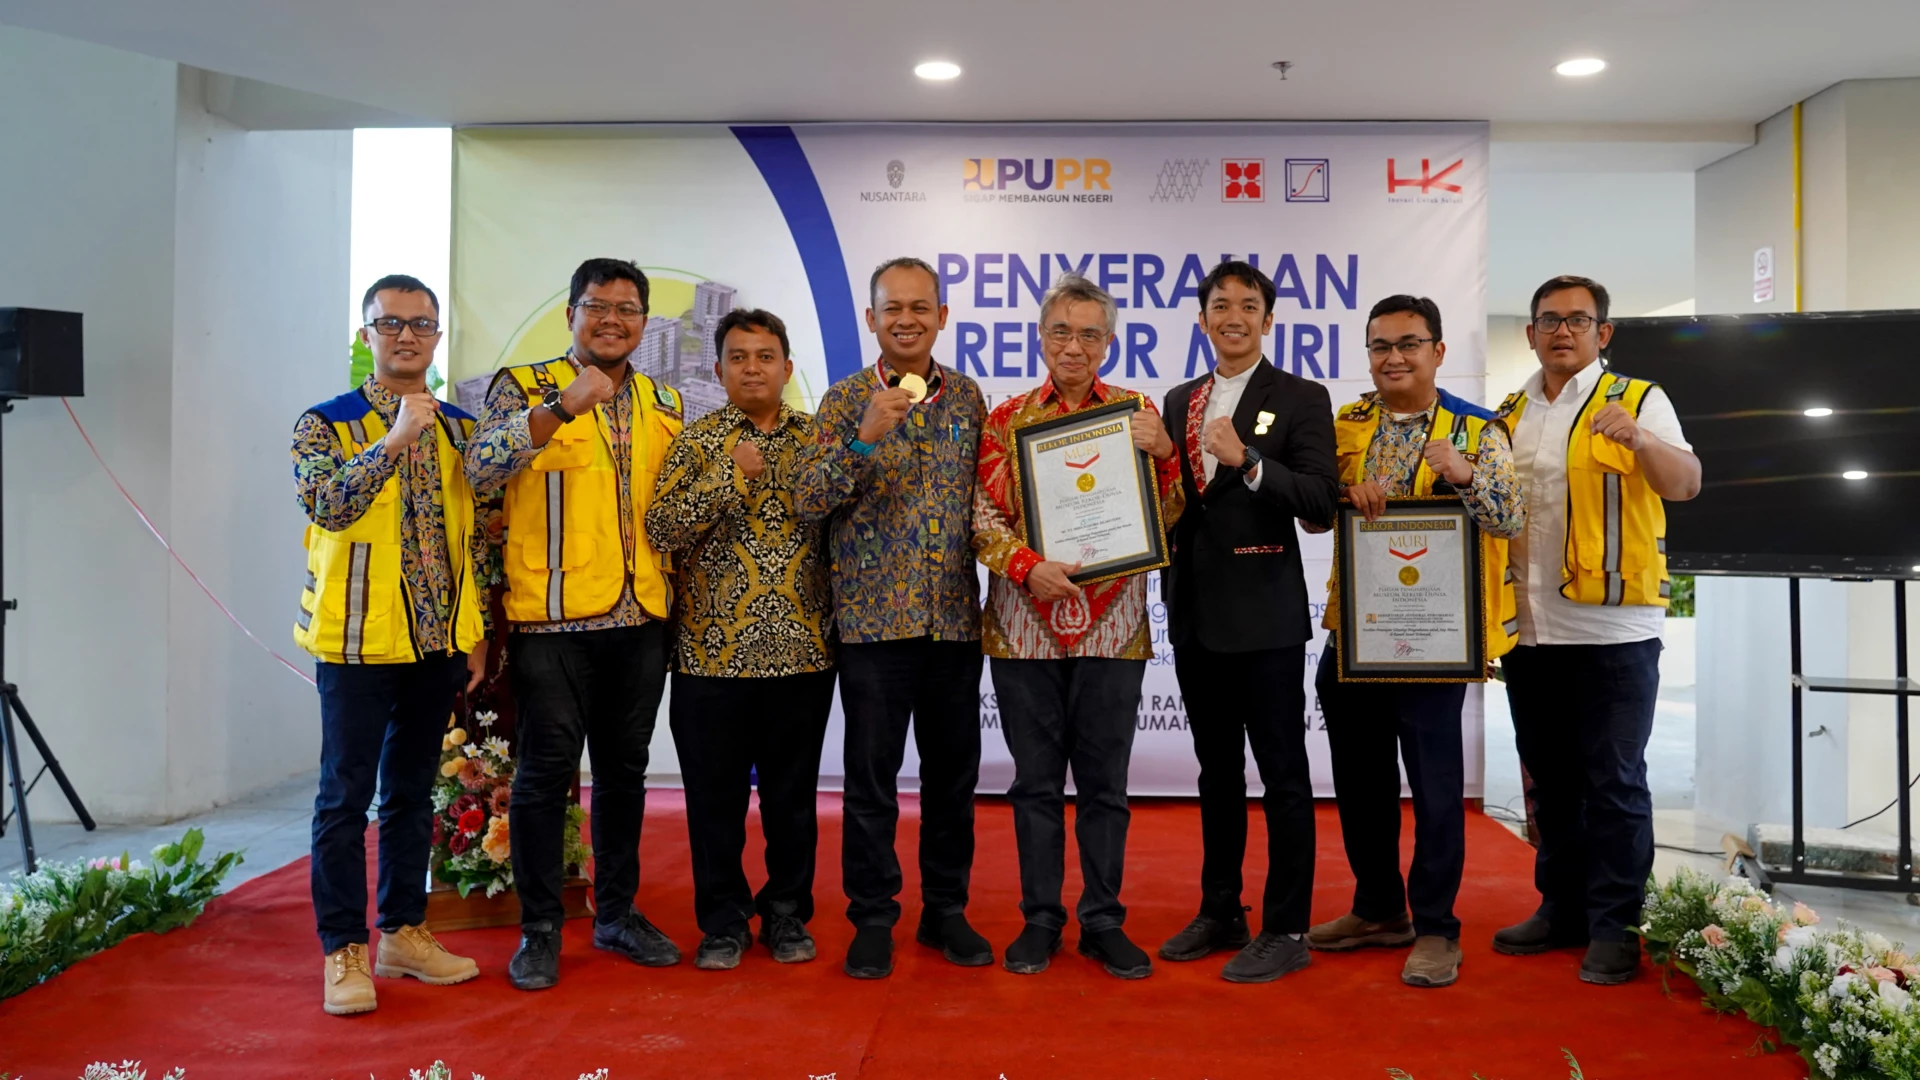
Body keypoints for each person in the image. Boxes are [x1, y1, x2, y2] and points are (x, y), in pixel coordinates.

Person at [465, 257, 686, 990]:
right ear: (570, 315)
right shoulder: (523, 386)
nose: (611, 320)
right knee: (545, 776)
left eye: (627, 309)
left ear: (644, 323)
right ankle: (539, 930)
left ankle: (617, 915)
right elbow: (480, 469)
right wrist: (561, 407)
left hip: (641, 615)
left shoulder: (665, 401)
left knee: (625, 775)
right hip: (553, 621)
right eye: (597, 306)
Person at [1304, 295, 1525, 989]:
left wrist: (1465, 475)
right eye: (1381, 346)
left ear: (1438, 351)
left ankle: (1436, 927)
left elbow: (1510, 518)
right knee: (1360, 783)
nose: (1393, 357)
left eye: (1408, 344)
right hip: (1356, 632)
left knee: (1434, 789)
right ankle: (1378, 909)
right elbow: (1314, 512)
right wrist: (1346, 493)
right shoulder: (1346, 424)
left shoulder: (1478, 428)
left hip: (1437, 637)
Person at [971, 274, 1183, 979]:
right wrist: (1026, 565)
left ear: (1109, 343)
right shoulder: (1005, 419)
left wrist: (1166, 457)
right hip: (1022, 627)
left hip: (1113, 628)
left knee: (1105, 786)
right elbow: (980, 518)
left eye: (1089, 334)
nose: (1074, 346)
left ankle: (1103, 920)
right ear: (1041, 337)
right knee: (1034, 785)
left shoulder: (1136, 413)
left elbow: (1170, 517)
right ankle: (1040, 918)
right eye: (1061, 331)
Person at [1492, 274, 1700, 985]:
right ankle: (1562, 909)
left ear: (1602, 333)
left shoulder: (1640, 400)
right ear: (1530, 333)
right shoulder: (1507, 414)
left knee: (1614, 783)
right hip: (1531, 632)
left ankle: (1616, 926)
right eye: (1549, 320)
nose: (1562, 331)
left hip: (1613, 633)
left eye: (1578, 320)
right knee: (1551, 785)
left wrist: (1640, 440)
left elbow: (1685, 483)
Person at [292, 274, 488, 1016]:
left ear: (437, 336)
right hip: (356, 642)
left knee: (410, 794)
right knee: (344, 798)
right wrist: (395, 438)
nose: (407, 335)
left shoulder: (461, 427)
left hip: (436, 640)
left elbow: (477, 536)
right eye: (391, 323)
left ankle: (403, 931)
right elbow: (327, 505)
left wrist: (473, 630)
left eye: (421, 324)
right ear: (367, 333)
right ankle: (341, 948)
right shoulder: (325, 423)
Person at [794, 256, 991, 979]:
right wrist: (864, 438)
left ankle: (945, 911)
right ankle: (872, 917)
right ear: (871, 319)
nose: (906, 320)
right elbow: (809, 501)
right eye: (892, 309)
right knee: (872, 782)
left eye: (920, 307)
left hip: (953, 624)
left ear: (942, 317)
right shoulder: (846, 400)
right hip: (873, 627)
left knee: (953, 780)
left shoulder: (967, 397)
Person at [1158, 260, 1339, 983]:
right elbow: (1175, 503)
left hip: (1266, 619)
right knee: (1216, 775)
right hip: (1195, 615)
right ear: (1202, 318)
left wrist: (1251, 462)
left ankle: (1287, 927)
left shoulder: (1300, 396)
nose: (1233, 316)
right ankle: (1221, 909)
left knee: (1285, 778)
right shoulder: (1178, 400)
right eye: (1220, 305)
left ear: (1268, 317)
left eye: (1248, 304)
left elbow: (1321, 501)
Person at [645, 308, 836, 971]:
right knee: (714, 803)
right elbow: (662, 528)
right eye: (738, 357)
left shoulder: (818, 440)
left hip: (802, 653)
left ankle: (787, 915)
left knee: (792, 802)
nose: (752, 368)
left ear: (787, 367)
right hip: (710, 657)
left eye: (764, 356)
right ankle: (723, 923)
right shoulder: (697, 442)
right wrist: (730, 475)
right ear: (719, 369)